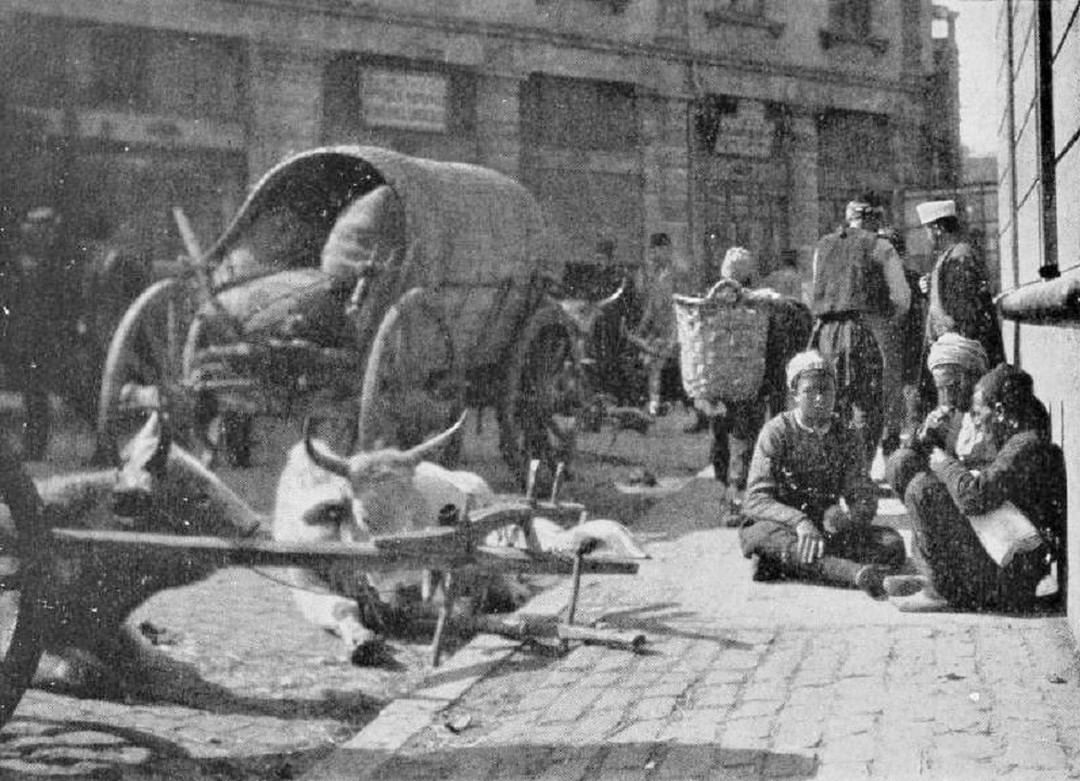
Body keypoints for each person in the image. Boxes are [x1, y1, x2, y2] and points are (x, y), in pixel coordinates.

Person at [883, 363, 1065, 613]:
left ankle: (942, 590)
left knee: (922, 489)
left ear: (1000, 411)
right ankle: (936, 578)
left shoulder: (1025, 445)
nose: (976, 421)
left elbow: (974, 496)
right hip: (1003, 558)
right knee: (907, 467)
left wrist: (946, 465)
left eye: (980, 413)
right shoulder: (1016, 433)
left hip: (1010, 582)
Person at [737, 350, 907, 597]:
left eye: (826, 390)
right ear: (794, 394)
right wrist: (800, 522)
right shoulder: (776, 432)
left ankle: (790, 563)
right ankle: (855, 574)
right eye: (810, 391)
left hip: (826, 528)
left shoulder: (846, 434)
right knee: (761, 536)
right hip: (782, 525)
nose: (819, 398)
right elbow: (755, 500)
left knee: (892, 544)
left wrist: (849, 517)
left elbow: (861, 492)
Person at [700, 247, 811, 523]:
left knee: (722, 440)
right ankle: (738, 498)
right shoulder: (762, 302)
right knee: (743, 440)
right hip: (748, 384)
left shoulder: (709, 303)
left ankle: (729, 495)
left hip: (717, 385)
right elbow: (794, 319)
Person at [809, 196, 910, 465]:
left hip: (826, 334)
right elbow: (901, 298)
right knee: (868, 404)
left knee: (831, 403)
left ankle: (832, 469)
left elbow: (815, 288)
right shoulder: (880, 246)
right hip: (864, 331)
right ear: (874, 219)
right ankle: (859, 473)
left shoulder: (823, 246)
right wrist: (886, 320)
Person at [916, 199, 1005, 409]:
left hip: (959, 357)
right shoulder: (951, 256)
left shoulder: (959, 255)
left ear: (938, 229)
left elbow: (964, 312)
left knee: (955, 414)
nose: (926, 236)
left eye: (927, 230)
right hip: (953, 354)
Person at [885, 332, 992, 500]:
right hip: (957, 486)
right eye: (940, 389)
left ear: (972, 376)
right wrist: (925, 436)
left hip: (978, 493)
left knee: (920, 488)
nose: (947, 396)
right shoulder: (952, 411)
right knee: (899, 462)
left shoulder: (988, 410)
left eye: (952, 386)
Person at [0, 207, 70, 460]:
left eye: (39, 228)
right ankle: (32, 446)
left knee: (37, 394)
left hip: (42, 337)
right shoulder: (18, 261)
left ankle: (35, 447)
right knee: (31, 395)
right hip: (22, 335)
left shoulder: (53, 264)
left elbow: (58, 303)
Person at [635, 232, 684, 416]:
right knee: (652, 364)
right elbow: (651, 308)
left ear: (667, 250)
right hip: (661, 332)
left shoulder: (677, 274)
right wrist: (640, 330)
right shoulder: (656, 276)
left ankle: (698, 412)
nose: (653, 256)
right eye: (651, 251)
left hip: (676, 331)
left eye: (656, 251)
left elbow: (681, 307)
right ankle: (655, 404)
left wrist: (675, 336)